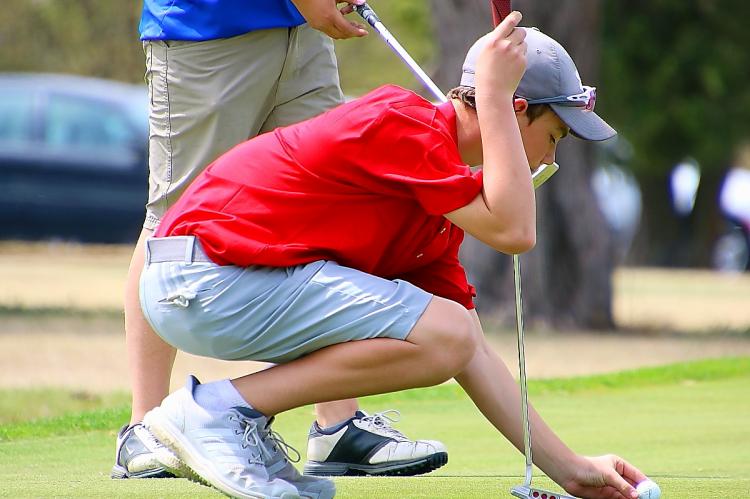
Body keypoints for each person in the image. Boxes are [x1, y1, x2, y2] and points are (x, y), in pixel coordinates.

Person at [140, 14, 649, 499]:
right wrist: (495, 93)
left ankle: (228, 414)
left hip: (225, 286)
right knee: (445, 331)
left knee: (450, 336)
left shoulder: (443, 200)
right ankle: (216, 411)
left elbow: (468, 350)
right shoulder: (404, 124)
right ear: (515, 109)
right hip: (198, 276)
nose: (550, 158)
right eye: (553, 137)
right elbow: (516, 231)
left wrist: (571, 469)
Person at [112, 0, 448, 482]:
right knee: (174, 223)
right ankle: (144, 429)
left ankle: (338, 426)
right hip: (205, 31)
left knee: (326, 205)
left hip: (301, 34)